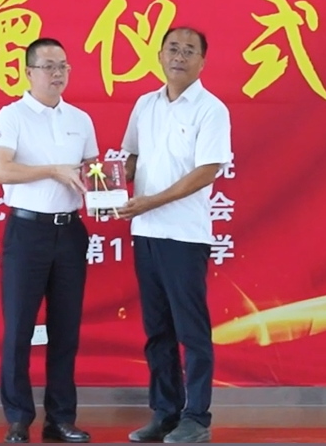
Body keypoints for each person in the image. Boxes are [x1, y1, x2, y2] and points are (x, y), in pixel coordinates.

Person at [116, 27, 232, 444]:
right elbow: (131, 159)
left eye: (189, 51)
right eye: (173, 49)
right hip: (145, 232)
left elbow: (207, 171)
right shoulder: (145, 104)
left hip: (184, 236)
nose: (179, 56)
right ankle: (165, 413)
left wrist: (152, 201)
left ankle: (196, 417)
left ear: (202, 62)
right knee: (158, 330)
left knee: (191, 331)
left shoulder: (211, 110)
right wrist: (102, 182)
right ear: (160, 55)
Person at [0, 37, 98, 444]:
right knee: (19, 327)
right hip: (27, 232)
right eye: (48, 66)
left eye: (63, 66)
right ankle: (18, 418)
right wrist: (53, 170)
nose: (57, 74)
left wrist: (107, 195)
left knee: (66, 329)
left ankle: (61, 418)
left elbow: (92, 172)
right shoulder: (12, 115)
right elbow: (1, 171)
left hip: (70, 232)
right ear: (28, 72)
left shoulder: (80, 119)